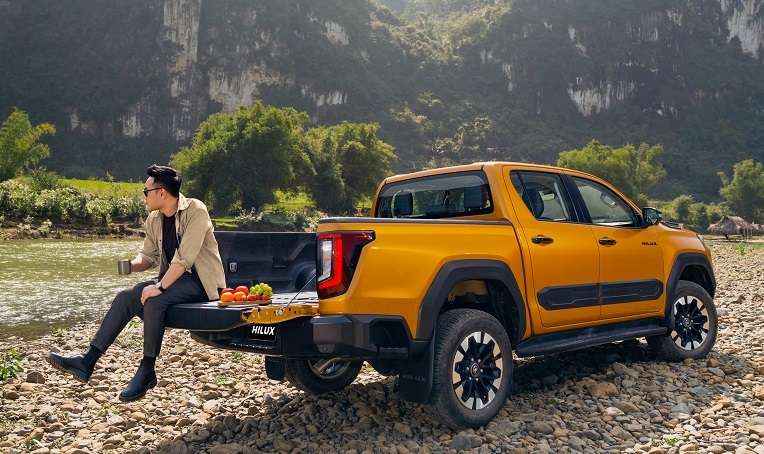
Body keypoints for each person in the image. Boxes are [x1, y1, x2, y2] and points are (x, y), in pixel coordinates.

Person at [47, 164, 226, 402]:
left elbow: (184, 260)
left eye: (146, 191)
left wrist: (159, 287)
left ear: (162, 193)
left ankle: (147, 369)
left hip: (201, 282)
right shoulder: (154, 218)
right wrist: (131, 265)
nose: (143, 196)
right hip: (172, 280)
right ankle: (87, 360)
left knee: (154, 299)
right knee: (125, 297)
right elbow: (149, 257)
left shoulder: (196, 210)